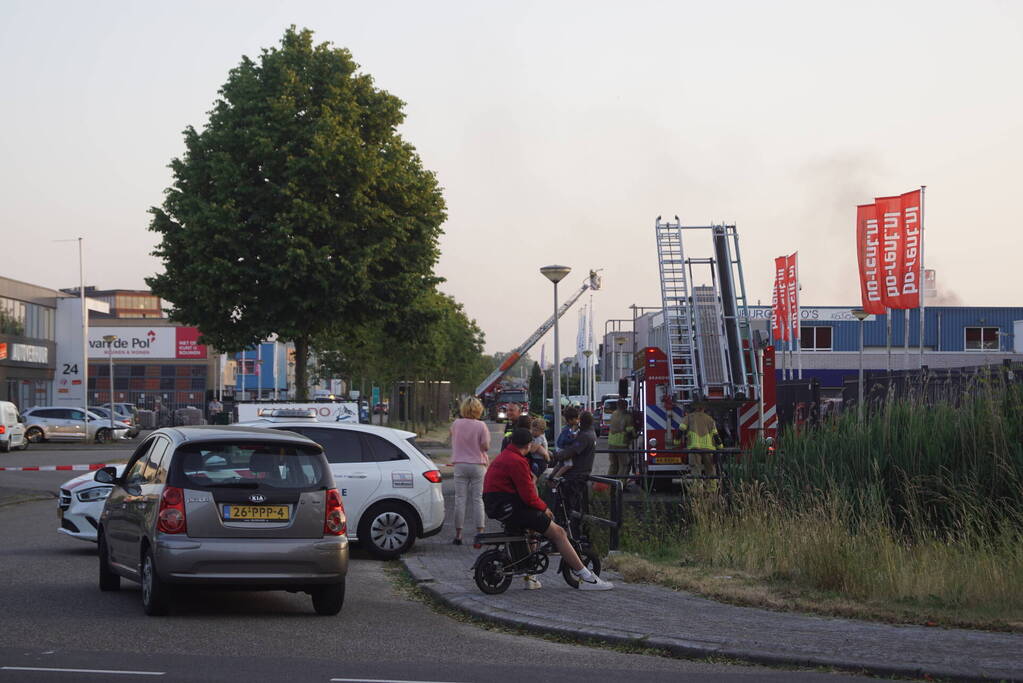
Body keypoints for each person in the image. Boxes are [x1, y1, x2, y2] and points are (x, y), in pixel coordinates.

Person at [483, 427, 612, 591]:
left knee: (532, 531)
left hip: (498, 506)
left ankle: (530, 575)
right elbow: (528, 495)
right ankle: (587, 578)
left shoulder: (504, 457)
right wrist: (544, 509)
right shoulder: (517, 461)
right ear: (529, 444)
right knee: (558, 533)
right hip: (511, 508)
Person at [449, 397, 491, 545]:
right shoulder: (481, 426)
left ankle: (458, 534)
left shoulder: (456, 424)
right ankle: (479, 533)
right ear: (478, 409)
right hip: (477, 465)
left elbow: (453, 439)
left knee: (460, 499)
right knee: (477, 499)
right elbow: (485, 447)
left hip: (460, 464)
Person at [553, 411, 597, 540]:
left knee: (569, 508)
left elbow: (571, 452)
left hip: (575, 476)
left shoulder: (584, 436)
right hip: (581, 475)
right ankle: (577, 536)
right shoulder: (591, 433)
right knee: (576, 508)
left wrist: (555, 456)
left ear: (581, 421)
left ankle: (570, 538)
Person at [681, 403, 720, 481]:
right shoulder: (710, 419)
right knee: (711, 470)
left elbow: (681, 429)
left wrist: (676, 441)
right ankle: (711, 490)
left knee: (695, 470)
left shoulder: (688, 417)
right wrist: (720, 447)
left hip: (695, 448)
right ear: (704, 409)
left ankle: (697, 490)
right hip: (708, 449)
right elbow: (716, 435)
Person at [606, 399, 633, 478]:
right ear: (625, 406)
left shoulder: (613, 414)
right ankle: (620, 485)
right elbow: (630, 429)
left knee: (613, 465)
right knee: (625, 465)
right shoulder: (627, 416)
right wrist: (635, 433)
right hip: (622, 443)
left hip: (611, 443)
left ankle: (609, 485)